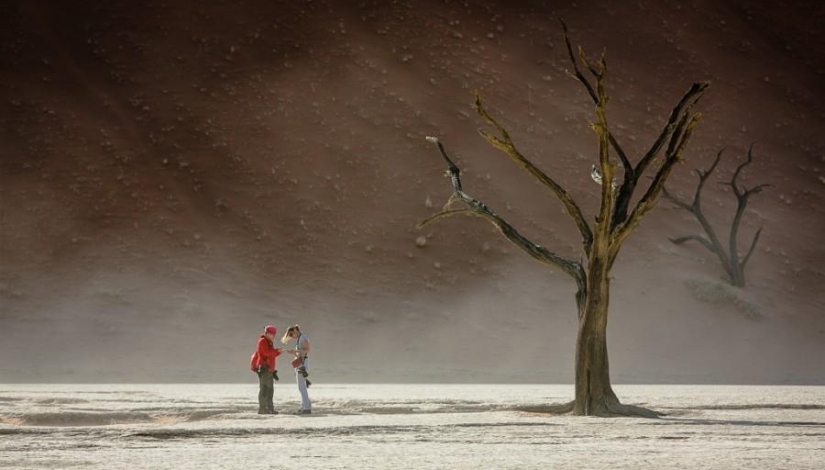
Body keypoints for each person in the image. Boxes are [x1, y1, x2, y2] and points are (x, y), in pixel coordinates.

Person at [250, 325, 282, 414]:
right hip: (264, 369)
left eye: (274, 334)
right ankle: (262, 408)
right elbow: (266, 353)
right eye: (272, 334)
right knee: (264, 388)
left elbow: (271, 355)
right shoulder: (263, 341)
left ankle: (270, 408)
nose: (274, 336)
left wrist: (278, 352)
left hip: (270, 369)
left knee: (270, 389)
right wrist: (276, 351)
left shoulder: (269, 342)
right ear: (267, 333)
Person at [282, 324, 312, 415]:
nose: (292, 337)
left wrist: (295, 351)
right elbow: (300, 353)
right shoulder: (299, 339)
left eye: (291, 334)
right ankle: (304, 406)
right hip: (300, 363)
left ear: (295, 330)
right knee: (301, 386)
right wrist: (293, 353)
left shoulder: (303, 338)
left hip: (303, 364)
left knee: (302, 386)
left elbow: (307, 350)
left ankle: (306, 408)